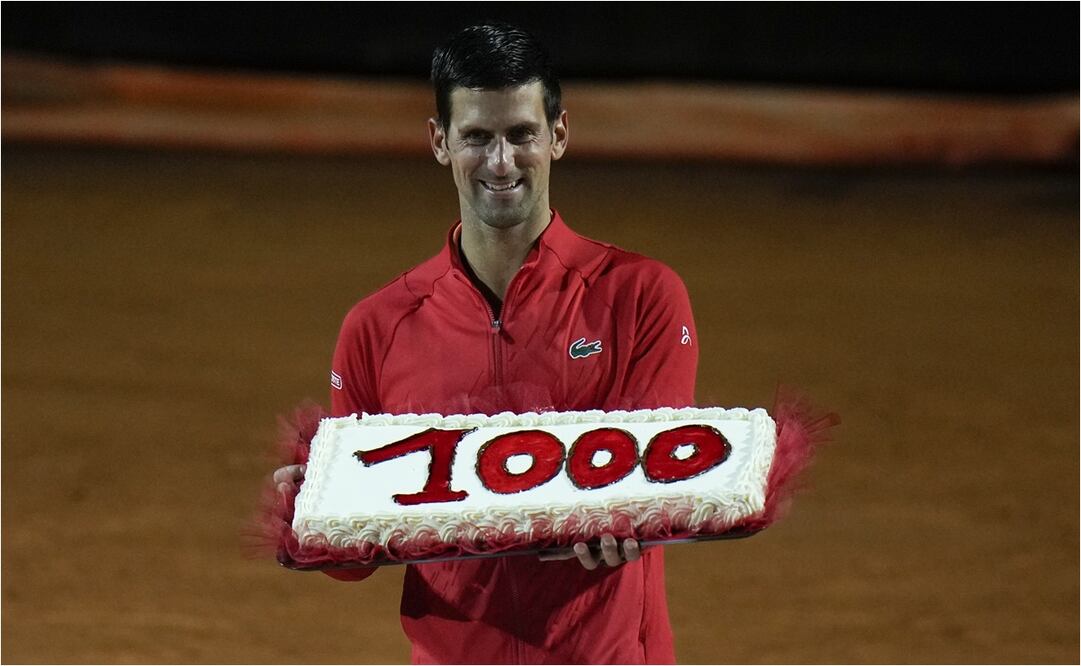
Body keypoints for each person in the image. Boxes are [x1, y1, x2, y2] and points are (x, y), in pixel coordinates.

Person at [274, 22, 698, 664]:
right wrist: (314, 513)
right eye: (476, 137)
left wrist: (634, 518)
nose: (501, 162)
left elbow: (653, 487)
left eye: (520, 134)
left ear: (557, 134)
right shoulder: (377, 327)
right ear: (440, 142)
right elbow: (353, 562)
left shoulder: (642, 298)